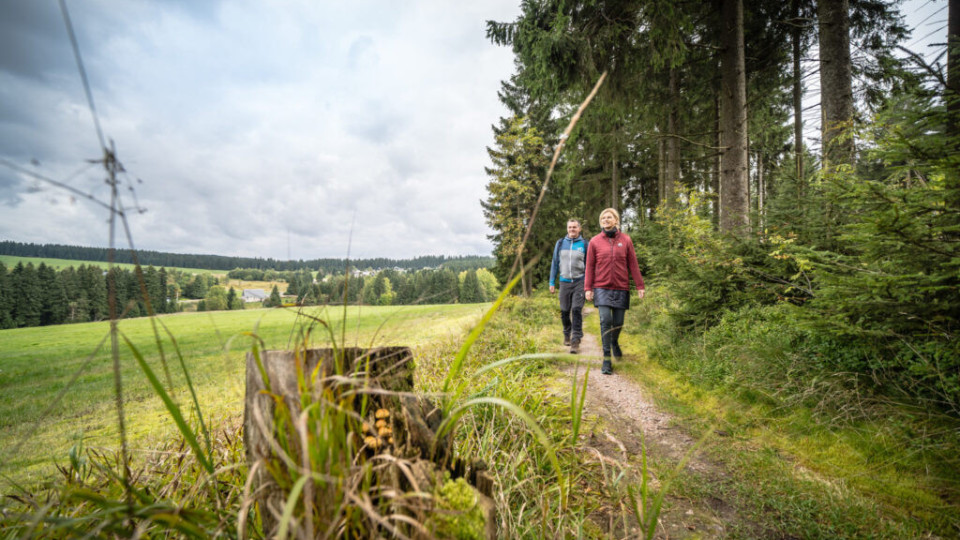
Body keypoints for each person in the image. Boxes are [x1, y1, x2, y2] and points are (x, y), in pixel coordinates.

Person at [584, 208, 645, 375]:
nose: (606, 219)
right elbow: (589, 266)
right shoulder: (595, 241)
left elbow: (633, 264)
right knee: (605, 320)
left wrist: (640, 286)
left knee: (618, 322)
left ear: (616, 220)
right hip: (601, 287)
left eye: (609, 217)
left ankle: (614, 342)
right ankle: (606, 359)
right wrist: (588, 288)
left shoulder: (625, 240)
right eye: (603, 217)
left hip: (621, 287)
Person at [550, 219, 589, 353]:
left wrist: (588, 284)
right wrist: (551, 282)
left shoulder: (585, 244)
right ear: (567, 229)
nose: (572, 229)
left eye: (574, 227)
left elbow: (589, 265)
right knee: (564, 310)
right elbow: (555, 263)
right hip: (564, 282)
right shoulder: (560, 243)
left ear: (579, 229)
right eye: (570, 227)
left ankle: (575, 340)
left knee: (577, 309)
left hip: (580, 281)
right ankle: (567, 333)